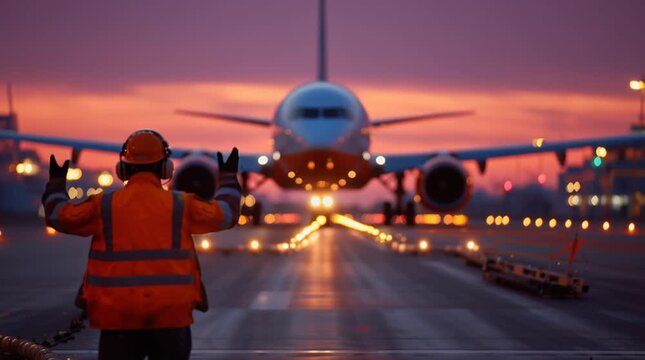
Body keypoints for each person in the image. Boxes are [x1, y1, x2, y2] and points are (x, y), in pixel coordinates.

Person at [41, 129, 241, 360]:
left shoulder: (104, 206)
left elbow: (58, 216)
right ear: (166, 168)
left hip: (118, 320)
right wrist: (227, 180)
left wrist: (56, 186)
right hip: (170, 319)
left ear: (122, 169)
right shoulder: (181, 205)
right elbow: (226, 215)